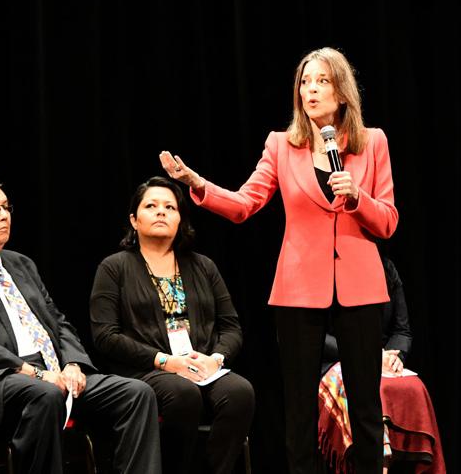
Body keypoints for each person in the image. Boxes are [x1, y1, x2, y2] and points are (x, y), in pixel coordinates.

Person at [159, 47, 398, 474]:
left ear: (342, 92)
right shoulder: (282, 145)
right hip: (299, 288)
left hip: (360, 286)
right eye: (305, 82)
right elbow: (244, 204)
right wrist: (198, 184)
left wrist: (358, 198)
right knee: (299, 406)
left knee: (364, 405)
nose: (311, 90)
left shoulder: (373, 141)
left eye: (322, 81)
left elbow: (388, 222)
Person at [0, 175, 162, 474]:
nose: (3, 215)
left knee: (136, 393)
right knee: (43, 393)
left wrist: (73, 364)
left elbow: (57, 322)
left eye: (6, 207)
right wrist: (34, 372)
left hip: (48, 374)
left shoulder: (21, 264)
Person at [89, 176, 255, 474]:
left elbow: (231, 327)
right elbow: (105, 335)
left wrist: (216, 359)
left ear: (180, 218)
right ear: (134, 219)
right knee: (182, 394)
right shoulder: (114, 267)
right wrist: (165, 361)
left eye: (170, 207)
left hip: (200, 365)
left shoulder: (203, 266)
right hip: (147, 369)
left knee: (240, 392)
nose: (161, 212)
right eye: (151, 206)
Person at [319, 254, 445, 473]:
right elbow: (317, 336)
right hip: (336, 360)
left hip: (384, 361)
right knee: (372, 390)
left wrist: (394, 357)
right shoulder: (326, 270)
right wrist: (367, 355)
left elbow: (402, 330)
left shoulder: (387, 269)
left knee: (415, 389)